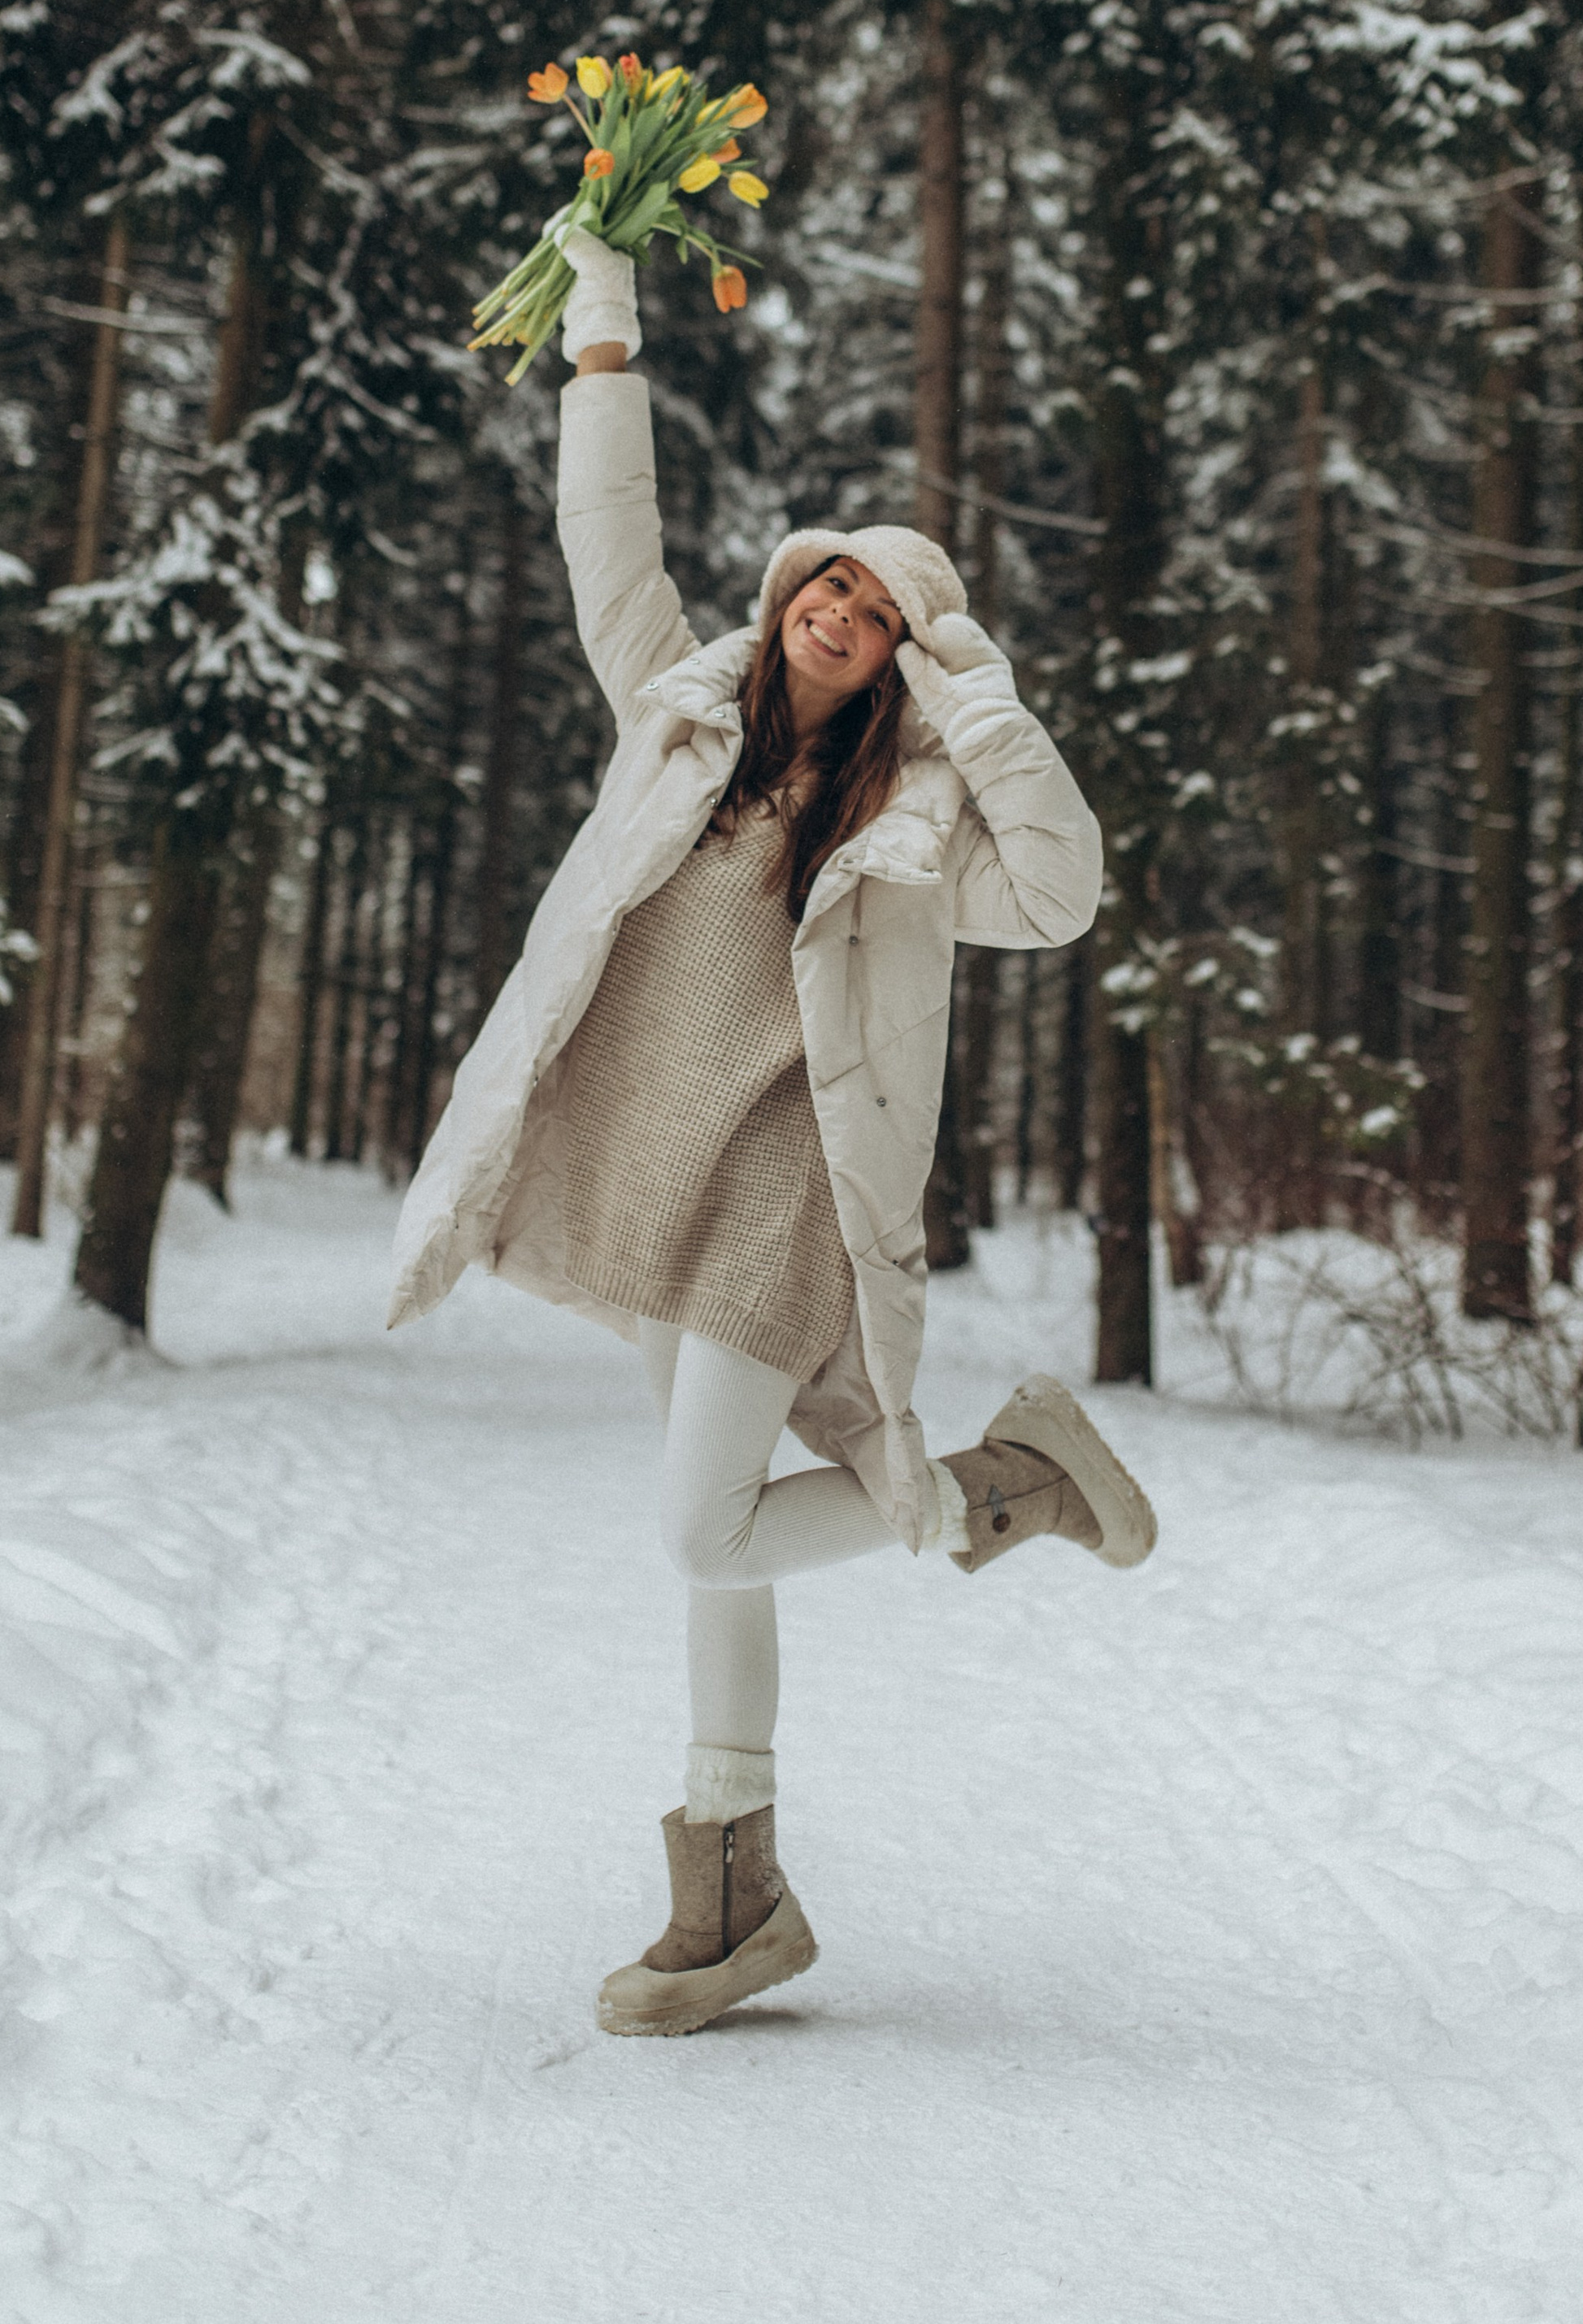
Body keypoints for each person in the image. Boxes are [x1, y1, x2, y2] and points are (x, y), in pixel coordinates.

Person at [389, 232, 1157, 2039]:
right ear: (786, 590)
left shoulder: (909, 824)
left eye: (880, 609)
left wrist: (977, 695)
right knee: (713, 1525)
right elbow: (611, 539)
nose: (840, 611)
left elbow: (1064, 892)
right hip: (646, 1170)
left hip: (779, 1187)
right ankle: (729, 1886)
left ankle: (1002, 1490)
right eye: (827, 581)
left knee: (703, 1527)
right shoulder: (669, 712)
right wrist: (601, 325)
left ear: (901, 654)